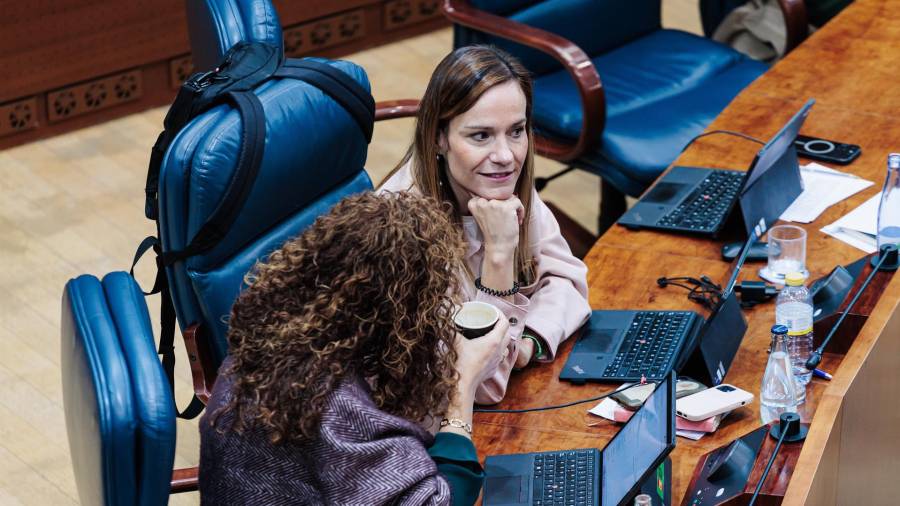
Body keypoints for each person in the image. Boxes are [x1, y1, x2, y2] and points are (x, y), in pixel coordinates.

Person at [199, 192, 511, 505]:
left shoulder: (281, 329)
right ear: (397, 316)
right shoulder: (335, 408)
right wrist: (463, 384)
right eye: (429, 302)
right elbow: (441, 500)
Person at [379, 45, 591, 404]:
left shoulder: (495, 181)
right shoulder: (403, 234)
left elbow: (567, 280)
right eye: (481, 136)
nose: (506, 156)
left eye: (517, 130)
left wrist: (528, 342)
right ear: (438, 138)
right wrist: (499, 254)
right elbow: (478, 383)